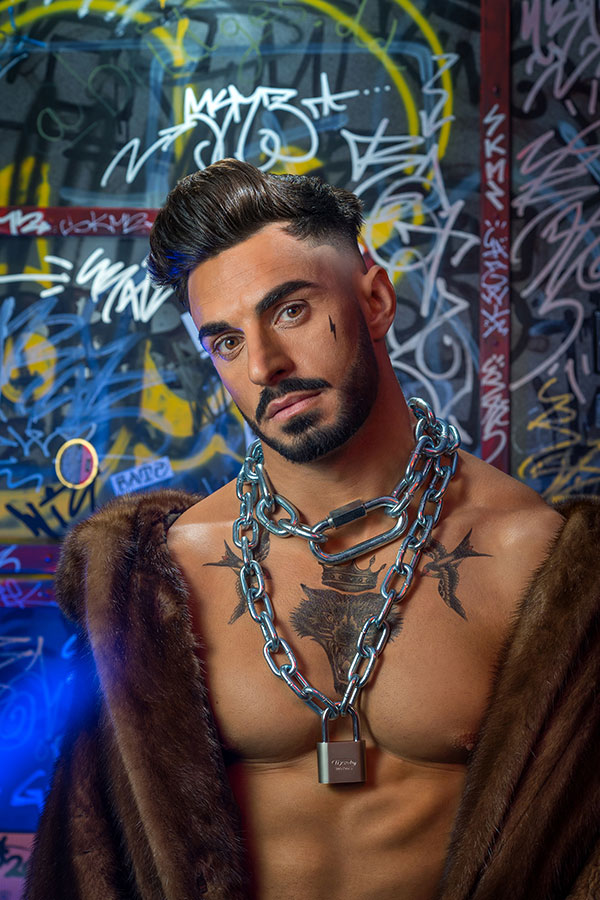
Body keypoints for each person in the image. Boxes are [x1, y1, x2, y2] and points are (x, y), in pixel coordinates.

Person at [26, 160, 600, 900]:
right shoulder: (161, 579)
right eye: (226, 341)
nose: (264, 365)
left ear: (375, 300)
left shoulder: (537, 562)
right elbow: (89, 859)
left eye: (291, 310)